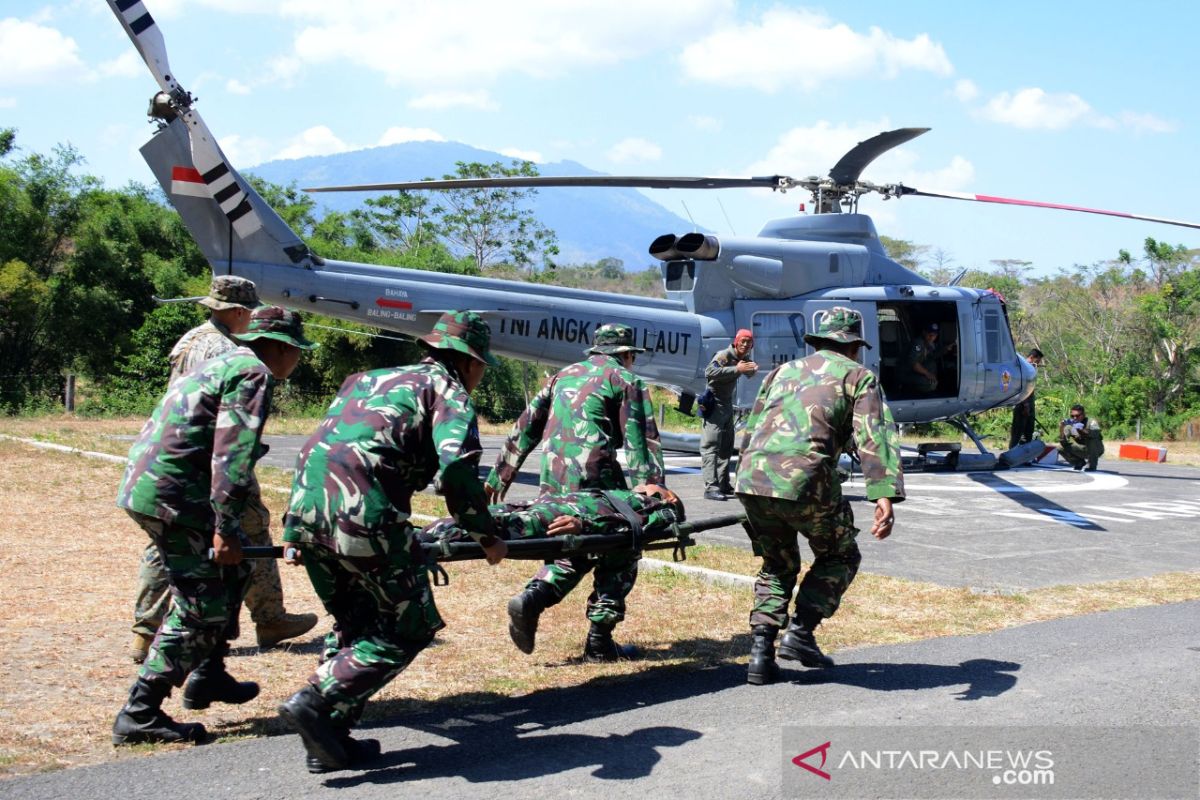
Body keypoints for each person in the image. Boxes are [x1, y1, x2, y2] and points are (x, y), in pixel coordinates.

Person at [277, 310, 507, 774]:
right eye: (481, 365)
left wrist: (291, 530)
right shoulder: (449, 392)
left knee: (355, 621)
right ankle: (316, 702)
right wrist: (486, 534)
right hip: (367, 517)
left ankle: (329, 740)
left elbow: (322, 445)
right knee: (410, 625)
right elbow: (457, 471)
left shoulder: (365, 379)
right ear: (469, 361)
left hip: (306, 512)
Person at [112, 306, 317, 746]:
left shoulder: (224, 362)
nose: (296, 362)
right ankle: (140, 711)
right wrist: (225, 526)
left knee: (239, 569)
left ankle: (209, 674)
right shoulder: (253, 373)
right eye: (296, 352)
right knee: (199, 606)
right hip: (177, 497)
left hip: (155, 485)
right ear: (279, 347)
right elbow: (232, 456)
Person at [130, 276, 317, 664]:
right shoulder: (246, 364)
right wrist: (224, 525)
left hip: (157, 469)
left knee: (178, 558)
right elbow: (230, 450)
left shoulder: (192, 340)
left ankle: (154, 636)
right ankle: (157, 685)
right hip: (192, 475)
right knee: (207, 586)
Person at [734, 307, 904, 686]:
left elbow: (753, 423)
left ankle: (761, 655)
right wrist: (884, 494)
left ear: (819, 341)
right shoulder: (859, 377)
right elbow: (873, 436)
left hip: (753, 478)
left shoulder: (782, 371)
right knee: (840, 554)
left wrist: (745, 472)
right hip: (806, 480)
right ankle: (801, 633)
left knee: (776, 565)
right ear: (853, 346)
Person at [485, 322, 666, 662]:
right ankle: (599, 640)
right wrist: (651, 490)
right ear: (626, 355)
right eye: (631, 357)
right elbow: (640, 440)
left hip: (553, 481)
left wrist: (500, 474)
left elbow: (526, 426)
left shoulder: (561, 376)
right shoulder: (626, 380)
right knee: (622, 543)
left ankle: (534, 598)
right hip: (596, 483)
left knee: (568, 546)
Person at [421, 484, 683, 547]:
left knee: (494, 526)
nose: (647, 483)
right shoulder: (628, 495)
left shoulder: (658, 508)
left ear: (666, 495)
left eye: (654, 485)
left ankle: (416, 538)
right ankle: (416, 533)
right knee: (483, 515)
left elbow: (634, 526)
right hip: (545, 504)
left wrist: (583, 525)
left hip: (556, 517)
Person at [701, 329, 758, 501]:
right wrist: (737, 369)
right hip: (714, 403)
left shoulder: (742, 359)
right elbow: (709, 372)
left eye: (749, 342)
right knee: (711, 446)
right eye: (743, 341)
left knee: (726, 446)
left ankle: (723, 484)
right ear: (736, 341)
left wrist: (751, 369)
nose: (746, 345)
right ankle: (711, 487)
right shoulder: (724, 355)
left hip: (726, 405)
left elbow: (746, 373)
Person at [1008, 348, 1045, 449]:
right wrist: (1025, 405)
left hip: (1029, 405)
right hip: (1022, 405)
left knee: (1028, 432)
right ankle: (1011, 453)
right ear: (1032, 357)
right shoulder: (1023, 368)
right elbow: (1021, 388)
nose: (1037, 363)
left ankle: (1024, 455)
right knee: (1017, 433)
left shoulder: (1031, 368)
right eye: (1037, 361)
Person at [904, 322, 956, 393]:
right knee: (931, 384)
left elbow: (931, 356)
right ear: (924, 332)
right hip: (906, 372)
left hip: (914, 370)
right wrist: (928, 374)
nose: (932, 337)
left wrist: (945, 349)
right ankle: (909, 391)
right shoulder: (918, 343)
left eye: (934, 335)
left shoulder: (927, 343)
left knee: (932, 364)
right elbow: (913, 363)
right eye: (929, 334)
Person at [1058, 404, 1104, 471]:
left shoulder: (1091, 422)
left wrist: (1080, 429)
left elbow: (1095, 434)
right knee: (1060, 448)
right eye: (1072, 416)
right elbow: (1063, 441)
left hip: (1096, 449)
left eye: (1077, 416)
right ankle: (1078, 462)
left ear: (1084, 415)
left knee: (1092, 440)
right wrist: (1061, 428)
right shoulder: (1070, 426)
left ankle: (1092, 465)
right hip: (1082, 449)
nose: (1075, 418)